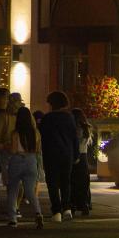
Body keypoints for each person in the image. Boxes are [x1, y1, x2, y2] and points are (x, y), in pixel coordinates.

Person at [39, 91, 78, 222]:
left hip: (51, 154)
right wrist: (76, 154)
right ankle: (67, 208)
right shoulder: (69, 117)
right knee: (65, 181)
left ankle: (56, 211)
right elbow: (74, 137)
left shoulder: (47, 118)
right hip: (67, 154)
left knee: (53, 183)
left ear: (52, 104)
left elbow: (42, 137)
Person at [6, 107, 44, 228]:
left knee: (13, 191)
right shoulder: (35, 133)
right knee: (30, 191)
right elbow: (38, 150)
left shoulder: (15, 133)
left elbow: (13, 150)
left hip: (17, 160)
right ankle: (38, 212)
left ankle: (13, 219)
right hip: (31, 160)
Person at [0, 92, 24, 207]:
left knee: (17, 183)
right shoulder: (4, 116)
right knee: (12, 182)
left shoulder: (23, 115)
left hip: (19, 152)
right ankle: (14, 207)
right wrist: (1, 145)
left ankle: (15, 206)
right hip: (8, 152)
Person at [70, 108, 94, 216]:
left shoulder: (75, 129)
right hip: (83, 156)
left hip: (75, 155)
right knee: (84, 182)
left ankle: (73, 204)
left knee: (73, 181)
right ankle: (84, 204)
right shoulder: (86, 128)